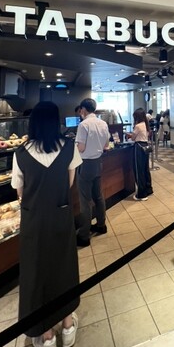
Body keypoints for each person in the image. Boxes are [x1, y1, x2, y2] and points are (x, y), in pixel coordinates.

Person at [11, 101, 81, 347]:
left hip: (34, 221)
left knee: (37, 272)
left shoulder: (20, 153)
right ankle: (68, 326)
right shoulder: (69, 147)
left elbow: (20, 191)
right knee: (64, 267)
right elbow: (69, 182)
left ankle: (47, 336)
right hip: (61, 216)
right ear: (56, 122)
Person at [75, 98, 110, 246]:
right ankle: (101, 225)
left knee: (85, 201)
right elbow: (106, 145)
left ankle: (84, 235)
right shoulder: (103, 123)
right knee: (98, 196)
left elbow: (81, 148)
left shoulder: (83, 125)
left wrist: (74, 147)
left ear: (83, 109)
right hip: (98, 163)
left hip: (86, 164)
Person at [126, 108, 153, 200]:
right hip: (145, 147)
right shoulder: (146, 124)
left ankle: (142, 194)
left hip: (139, 147)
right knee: (145, 169)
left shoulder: (138, 126)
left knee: (139, 170)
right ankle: (148, 189)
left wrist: (129, 135)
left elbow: (133, 138)